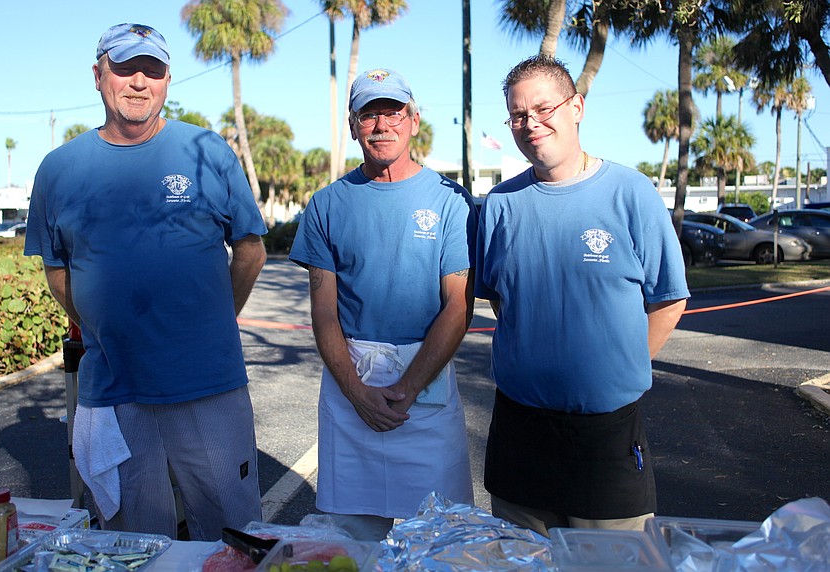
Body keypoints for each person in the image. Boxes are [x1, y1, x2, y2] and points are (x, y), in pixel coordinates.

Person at [24, 23, 267, 541]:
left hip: (209, 383)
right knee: (131, 542)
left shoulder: (207, 151)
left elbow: (250, 249)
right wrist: (101, 326)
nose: (138, 81)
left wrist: (213, 321)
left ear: (168, 80)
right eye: (125, 67)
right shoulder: (58, 169)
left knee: (234, 535)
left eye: (152, 70)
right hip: (114, 392)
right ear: (98, 76)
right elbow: (56, 269)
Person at [475, 54, 689, 536]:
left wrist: (620, 365)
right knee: (522, 566)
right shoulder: (499, 206)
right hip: (519, 431)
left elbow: (668, 300)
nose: (530, 123)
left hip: (605, 435)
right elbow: (501, 298)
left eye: (543, 108)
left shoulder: (630, 193)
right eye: (517, 114)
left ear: (577, 107)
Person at [288, 68, 476, 541]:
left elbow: (458, 305)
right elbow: (324, 312)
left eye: (392, 112)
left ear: (413, 120)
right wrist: (356, 392)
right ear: (353, 126)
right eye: (368, 114)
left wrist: (408, 388)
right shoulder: (326, 205)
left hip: (425, 388)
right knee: (352, 539)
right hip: (353, 384)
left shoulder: (451, 202)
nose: (381, 125)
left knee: (439, 536)